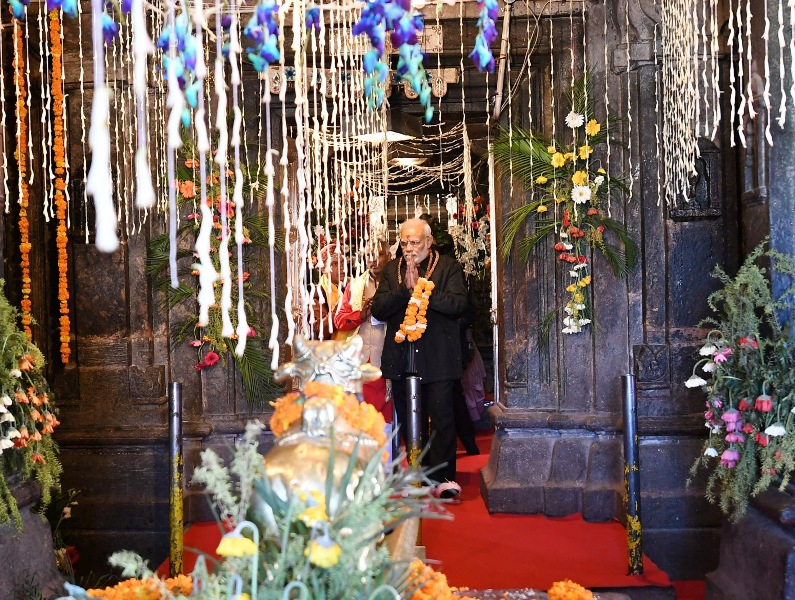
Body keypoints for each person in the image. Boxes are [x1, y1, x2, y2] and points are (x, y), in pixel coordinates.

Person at [371, 218, 468, 497]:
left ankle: (443, 479)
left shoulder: (448, 266)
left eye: (415, 242)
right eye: (404, 243)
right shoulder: (393, 269)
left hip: (438, 357)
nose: (409, 248)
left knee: (442, 418)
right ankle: (417, 475)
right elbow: (378, 309)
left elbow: (459, 304)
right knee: (409, 419)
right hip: (403, 357)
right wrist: (404, 290)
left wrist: (424, 292)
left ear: (429, 242)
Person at [333, 241, 392, 423]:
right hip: (360, 362)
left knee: (386, 419)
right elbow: (339, 320)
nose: (373, 260)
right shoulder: (355, 286)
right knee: (359, 417)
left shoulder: (398, 284)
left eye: (378, 255)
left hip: (388, 360)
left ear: (389, 256)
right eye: (368, 256)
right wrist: (360, 314)